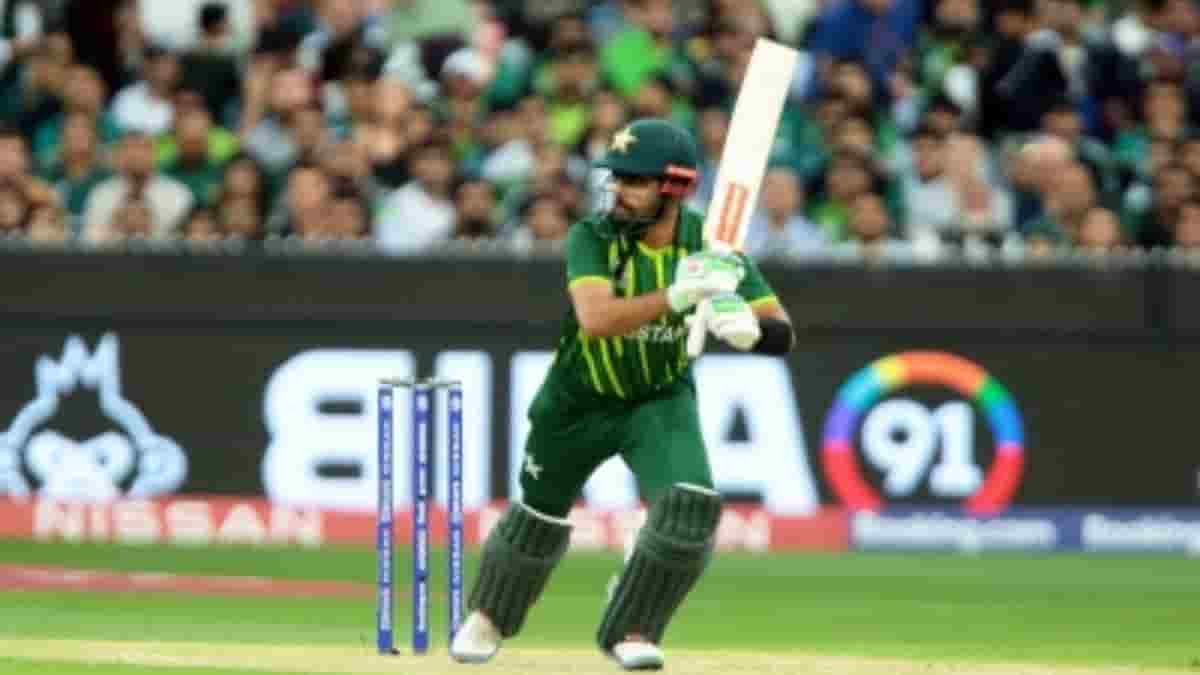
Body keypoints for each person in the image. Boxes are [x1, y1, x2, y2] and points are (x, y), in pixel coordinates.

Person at [449, 118, 795, 670]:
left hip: (657, 400)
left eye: (634, 182)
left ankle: (631, 627)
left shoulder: (714, 247)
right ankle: (489, 614)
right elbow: (597, 319)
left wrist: (749, 333)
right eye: (618, 179)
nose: (620, 192)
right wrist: (680, 293)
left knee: (689, 511)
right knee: (540, 515)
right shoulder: (594, 235)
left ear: (673, 188)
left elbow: (782, 331)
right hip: (577, 401)